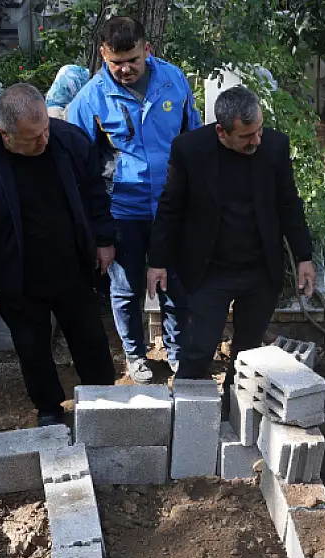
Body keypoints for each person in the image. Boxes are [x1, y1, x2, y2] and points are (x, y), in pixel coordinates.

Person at [0, 84, 119, 428]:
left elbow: (96, 194)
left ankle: (104, 399)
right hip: (16, 276)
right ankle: (50, 408)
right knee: (32, 348)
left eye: (45, 131)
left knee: (91, 339)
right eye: (32, 138)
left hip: (73, 267)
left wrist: (103, 240)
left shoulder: (69, 140)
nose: (43, 141)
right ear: (4, 135)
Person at [148, 85, 316, 385]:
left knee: (248, 352)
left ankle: (235, 409)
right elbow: (170, 207)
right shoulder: (190, 149)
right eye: (246, 136)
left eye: (259, 130)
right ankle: (187, 411)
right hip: (210, 270)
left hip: (260, 270)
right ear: (222, 132)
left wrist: (305, 256)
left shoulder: (275, 147)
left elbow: (289, 203)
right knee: (199, 348)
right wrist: (157, 261)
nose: (257, 140)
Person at [68, 16, 200, 383]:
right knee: (125, 289)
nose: (125, 69)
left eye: (133, 60)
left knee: (176, 284)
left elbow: (193, 138)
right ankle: (135, 354)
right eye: (116, 62)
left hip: (171, 206)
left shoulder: (173, 81)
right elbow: (78, 166)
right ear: (103, 55)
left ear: (147, 51)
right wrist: (99, 231)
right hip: (122, 210)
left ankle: (176, 351)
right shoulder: (90, 99)